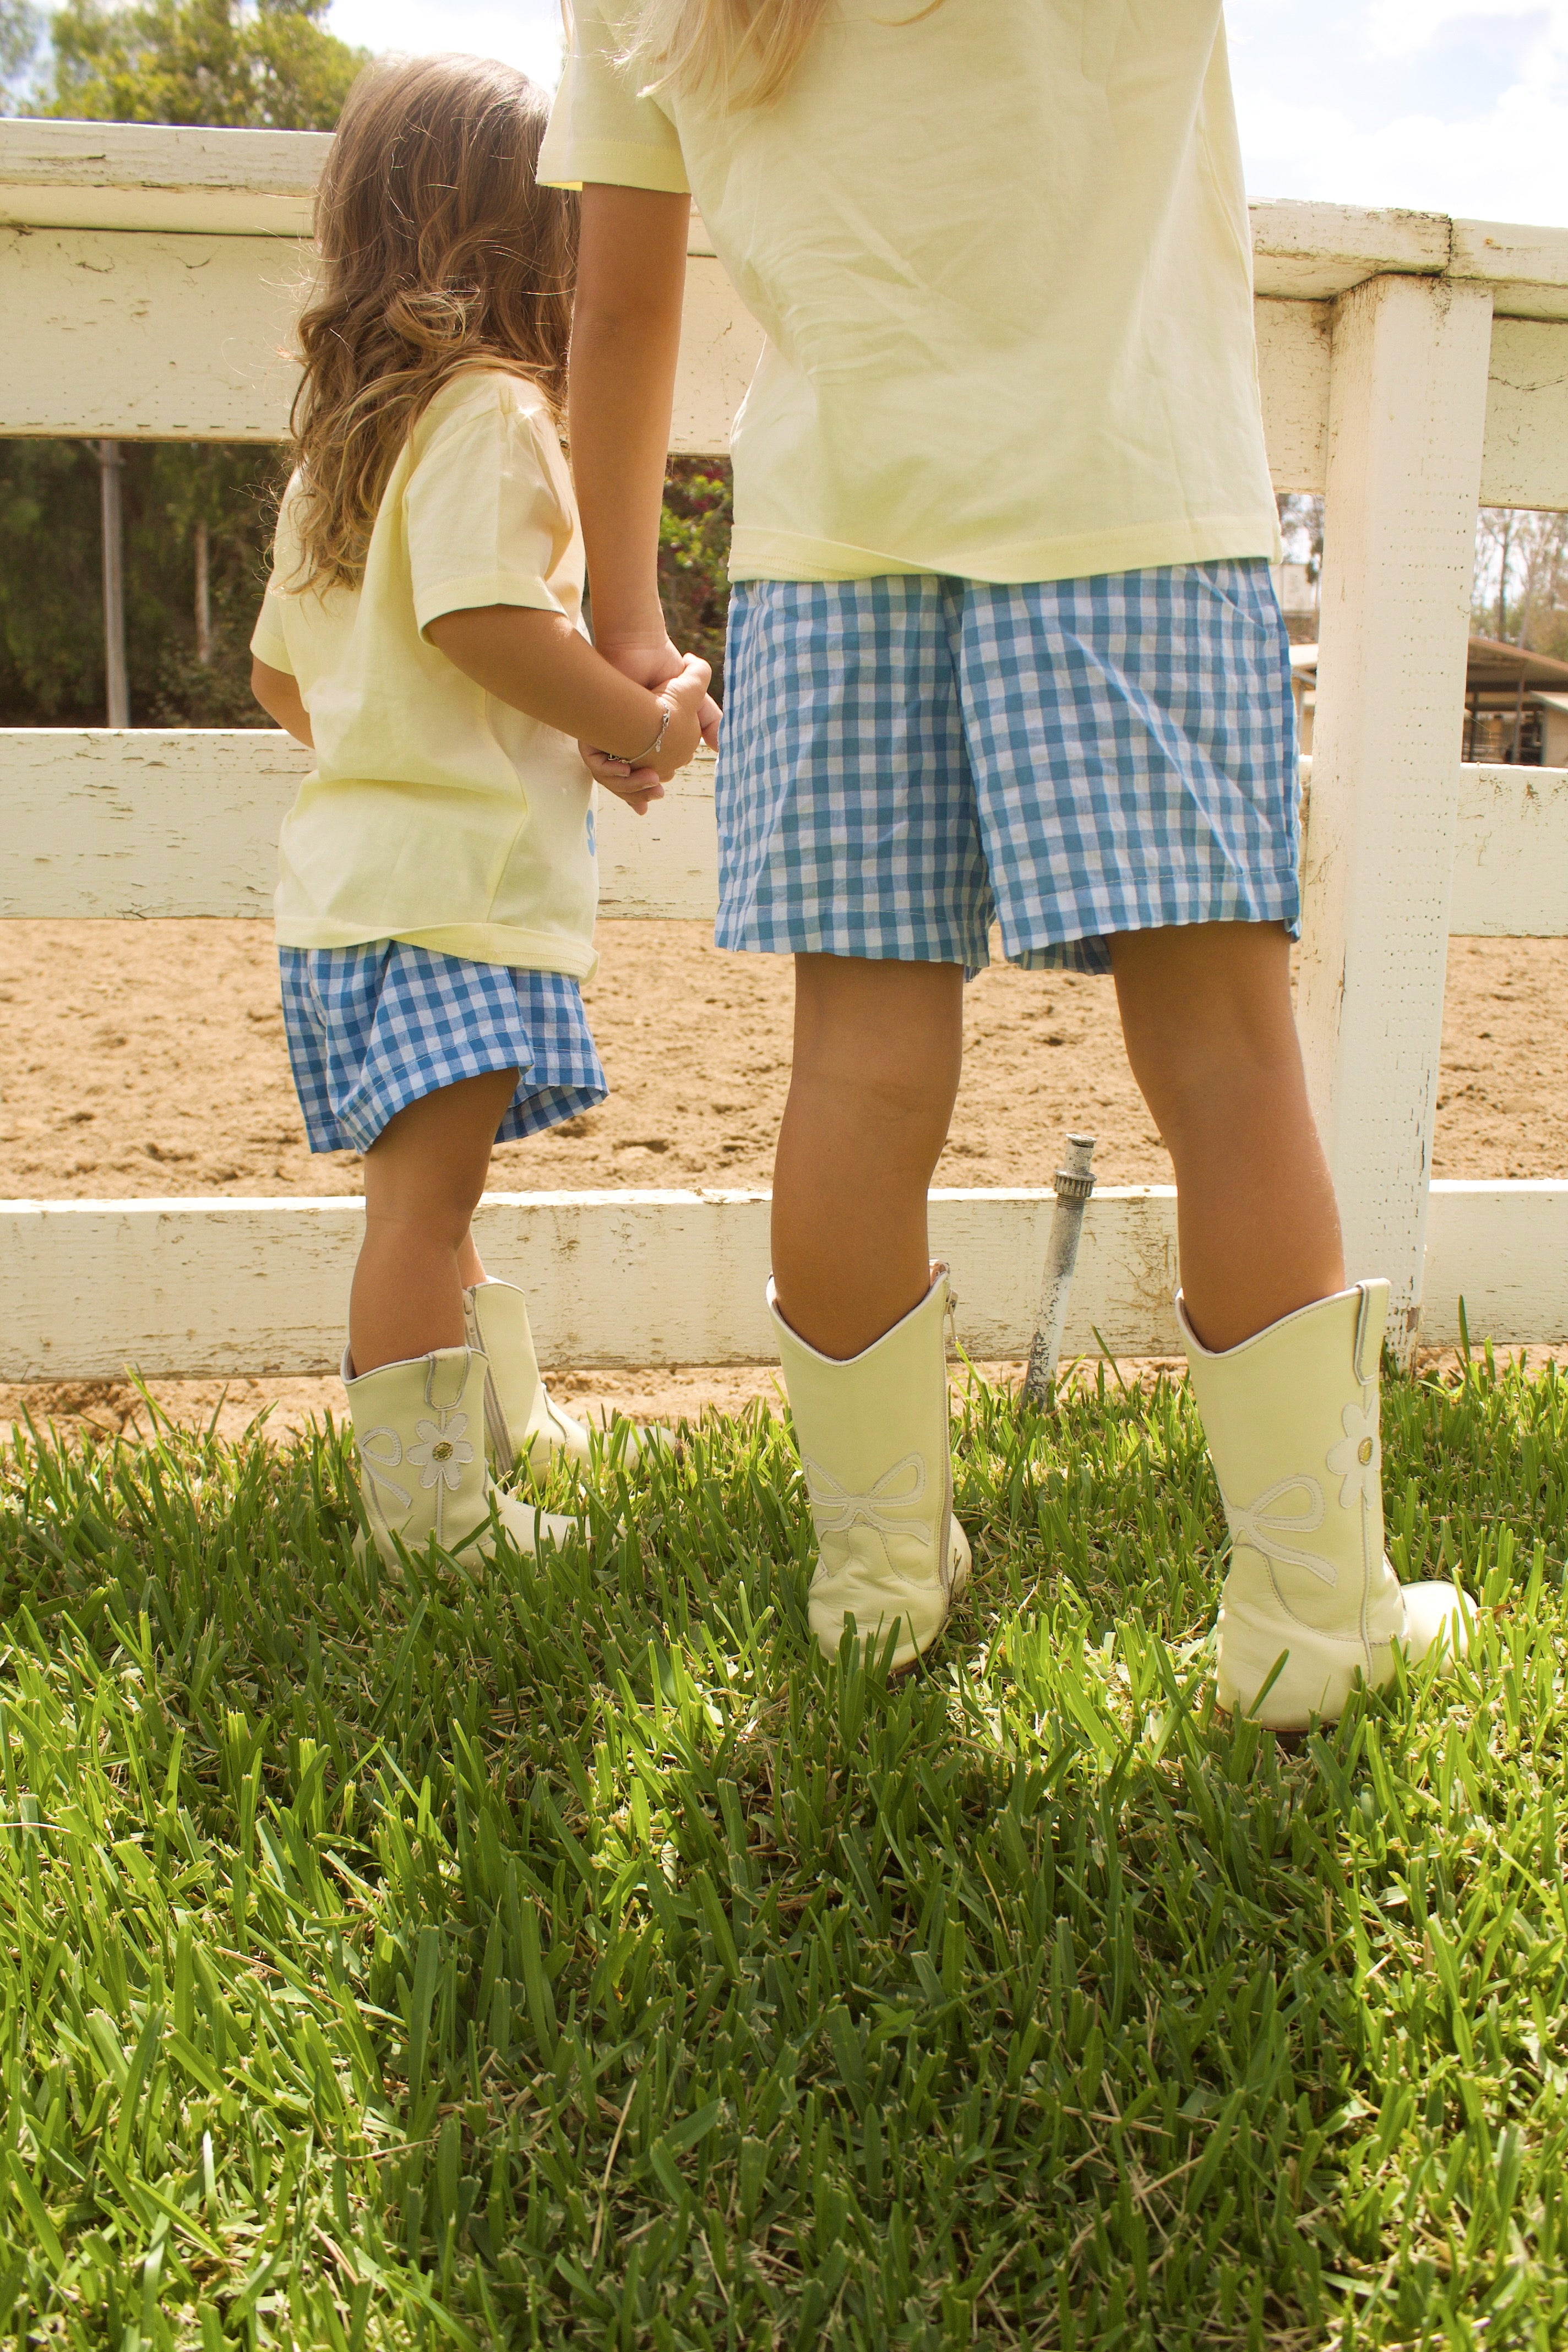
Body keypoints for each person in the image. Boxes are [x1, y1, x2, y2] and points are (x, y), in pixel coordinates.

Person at [542, 0, 1470, 1719]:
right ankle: (1310, 1620)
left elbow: (620, 301)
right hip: (1129, 509)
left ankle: (876, 1588)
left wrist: (621, 617)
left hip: (833, 554)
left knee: (861, 1068)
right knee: (1225, 1055)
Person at [251, 52, 712, 1568]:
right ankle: (429, 1513)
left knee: (439, 1204)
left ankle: (501, 1422)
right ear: (528, 235)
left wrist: (415, 736)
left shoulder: (349, 440)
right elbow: (486, 624)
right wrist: (635, 718)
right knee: (422, 1207)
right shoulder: (498, 414)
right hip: (452, 893)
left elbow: (283, 678)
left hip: (356, 892)